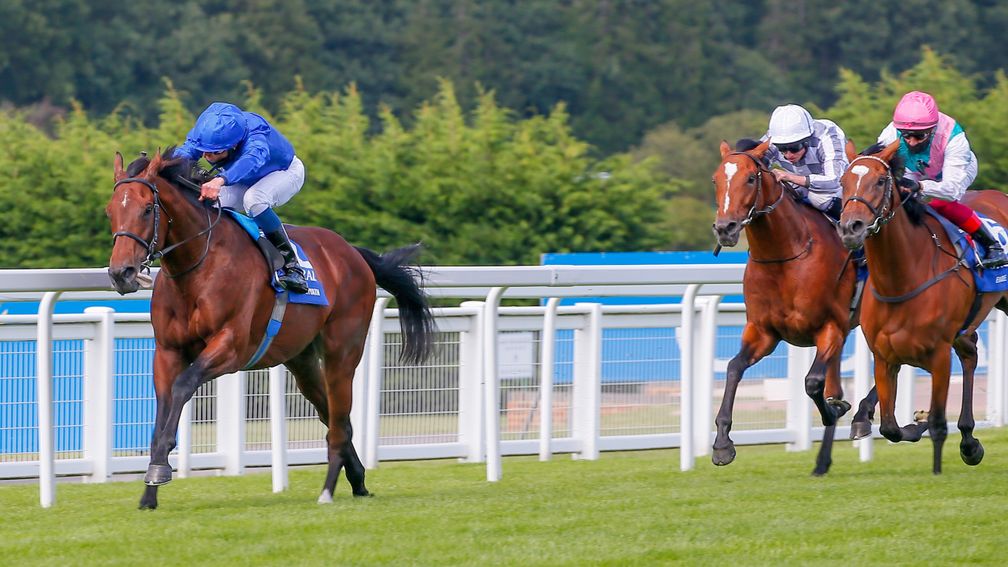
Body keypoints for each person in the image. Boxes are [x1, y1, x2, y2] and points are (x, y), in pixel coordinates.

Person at [173, 102, 310, 292]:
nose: (206, 157)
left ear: (235, 145)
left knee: (254, 200)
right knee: (209, 204)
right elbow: (184, 153)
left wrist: (220, 180)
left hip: (285, 172)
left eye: (215, 152)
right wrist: (160, 167)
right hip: (243, 178)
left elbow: (251, 160)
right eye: (204, 150)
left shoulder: (256, 136)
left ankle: (292, 266)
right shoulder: (207, 134)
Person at [877, 91, 1008, 268]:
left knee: (943, 204)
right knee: (900, 201)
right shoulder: (890, 134)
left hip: (956, 171)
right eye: (906, 135)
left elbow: (950, 190)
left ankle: (992, 246)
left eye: (919, 136)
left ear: (932, 130)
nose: (912, 142)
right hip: (916, 169)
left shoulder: (954, 138)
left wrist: (920, 186)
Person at [761, 104, 850, 220]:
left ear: (807, 140)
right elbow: (751, 163)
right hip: (798, 185)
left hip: (837, 188)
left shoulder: (827, 133)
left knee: (818, 199)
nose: (788, 155)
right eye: (782, 148)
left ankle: (854, 228)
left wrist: (790, 177)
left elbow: (835, 181)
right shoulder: (775, 137)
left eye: (794, 148)